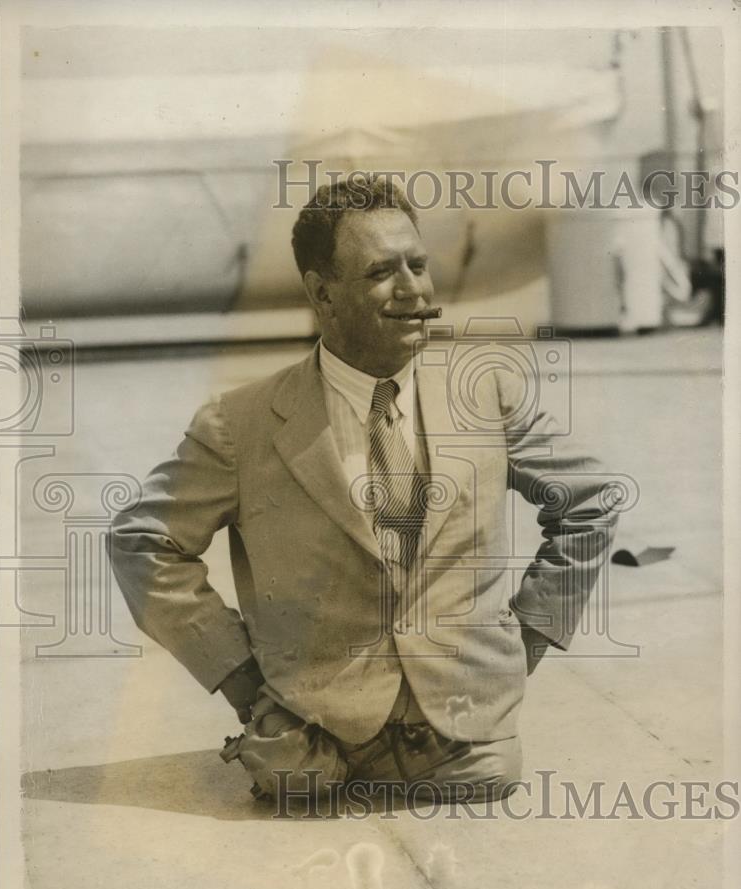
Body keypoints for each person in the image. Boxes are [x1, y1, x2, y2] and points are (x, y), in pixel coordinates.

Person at [108, 175, 619, 807]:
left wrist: (523, 645)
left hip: (467, 745)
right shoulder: (241, 424)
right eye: (382, 271)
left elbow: (592, 501)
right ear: (323, 294)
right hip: (313, 739)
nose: (413, 290)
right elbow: (142, 541)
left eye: (418, 265)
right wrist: (242, 679)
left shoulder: (487, 394)